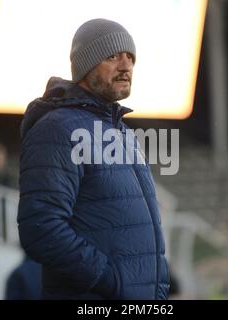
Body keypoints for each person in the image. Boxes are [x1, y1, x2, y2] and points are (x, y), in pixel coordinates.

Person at [18, 18, 170, 299]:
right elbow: (40, 229)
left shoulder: (120, 131)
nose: (126, 66)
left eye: (130, 57)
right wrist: (110, 281)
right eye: (112, 56)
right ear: (86, 65)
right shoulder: (57, 128)